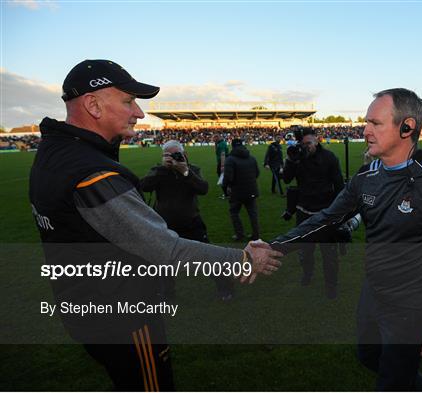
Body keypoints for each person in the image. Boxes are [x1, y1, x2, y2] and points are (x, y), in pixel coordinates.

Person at [29, 59, 281, 391]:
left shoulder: (54, 152)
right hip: (122, 316)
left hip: (83, 307)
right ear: (92, 105)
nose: (140, 113)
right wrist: (242, 261)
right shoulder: (92, 172)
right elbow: (167, 250)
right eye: (128, 101)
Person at [270, 88, 422, 390]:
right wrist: (275, 247)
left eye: (375, 123)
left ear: (407, 127)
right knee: (368, 356)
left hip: (413, 306)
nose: (365, 130)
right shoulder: (367, 176)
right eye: (366, 122)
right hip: (372, 294)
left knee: (392, 381)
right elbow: (328, 218)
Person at [140, 140, 234, 301]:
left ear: (185, 155)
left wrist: (185, 172)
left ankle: (225, 287)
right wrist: (164, 168)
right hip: (164, 225)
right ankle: (167, 294)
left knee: (207, 257)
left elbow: (203, 189)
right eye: (168, 155)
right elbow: (144, 186)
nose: (174, 158)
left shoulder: (192, 169)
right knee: (163, 263)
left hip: (191, 222)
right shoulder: (159, 170)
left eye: (177, 154)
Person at [282, 127, 344, 299]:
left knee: (329, 253)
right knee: (305, 249)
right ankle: (307, 275)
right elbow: (286, 179)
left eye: (309, 143)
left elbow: (339, 185)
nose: (306, 147)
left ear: (317, 141)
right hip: (303, 210)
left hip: (325, 212)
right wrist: (291, 159)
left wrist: (339, 212)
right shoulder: (297, 158)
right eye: (303, 144)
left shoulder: (329, 158)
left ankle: (331, 286)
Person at [223, 138, 260, 241]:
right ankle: (256, 235)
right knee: (253, 213)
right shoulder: (251, 158)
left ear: (232, 146)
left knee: (234, 212)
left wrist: (226, 187)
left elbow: (228, 177)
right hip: (251, 189)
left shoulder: (230, 159)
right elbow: (257, 173)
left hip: (237, 191)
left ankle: (240, 234)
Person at [214, 133, 229, 199]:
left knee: (222, 178)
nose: (213, 139)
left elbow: (223, 154)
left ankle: (226, 194)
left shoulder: (221, 144)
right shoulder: (220, 143)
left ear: (217, 137)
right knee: (223, 177)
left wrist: (222, 165)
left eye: (214, 138)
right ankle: (228, 193)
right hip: (222, 162)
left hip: (223, 162)